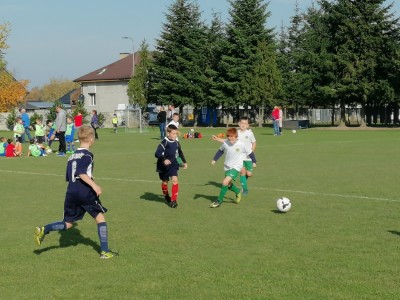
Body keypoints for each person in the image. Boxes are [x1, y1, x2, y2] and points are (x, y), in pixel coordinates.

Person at [34, 125, 118, 259]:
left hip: (71, 192)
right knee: (100, 218)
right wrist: (94, 185)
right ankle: (105, 251)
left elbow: (69, 176)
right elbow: (81, 173)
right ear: (91, 139)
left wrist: (89, 178)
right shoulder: (88, 155)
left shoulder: (71, 156)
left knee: (67, 223)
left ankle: (44, 229)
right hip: (84, 191)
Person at [209, 127, 256, 208]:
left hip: (237, 166)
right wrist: (214, 159)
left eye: (232, 138)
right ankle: (238, 192)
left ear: (236, 136)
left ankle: (219, 201)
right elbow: (220, 151)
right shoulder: (226, 143)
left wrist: (254, 161)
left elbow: (251, 153)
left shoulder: (241, 144)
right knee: (228, 184)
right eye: (228, 137)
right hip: (227, 166)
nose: (230, 140)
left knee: (224, 182)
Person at [212, 116, 256, 194]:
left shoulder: (250, 133)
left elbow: (254, 143)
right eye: (242, 123)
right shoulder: (236, 132)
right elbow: (228, 140)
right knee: (242, 171)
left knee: (249, 174)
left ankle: (243, 180)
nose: (243, 125)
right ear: (239, 124)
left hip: (248, 156)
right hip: (239, 157)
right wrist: (217, 139)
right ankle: (245, 189)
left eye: (245, 123)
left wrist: (251, 152)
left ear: (248, 125)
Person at [154, 124, 187, 208]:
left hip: (173, 164)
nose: (175, 135)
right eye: (173, 134)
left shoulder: (176, 142)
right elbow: (157, 153)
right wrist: (164, 159)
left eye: (176, 134)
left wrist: (184, 162)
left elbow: (180, 152)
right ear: (168, 133)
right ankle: (166, 195)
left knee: (175, 180)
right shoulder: (164, 142)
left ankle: (173, 200)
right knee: (165, 182)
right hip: (163, 165)